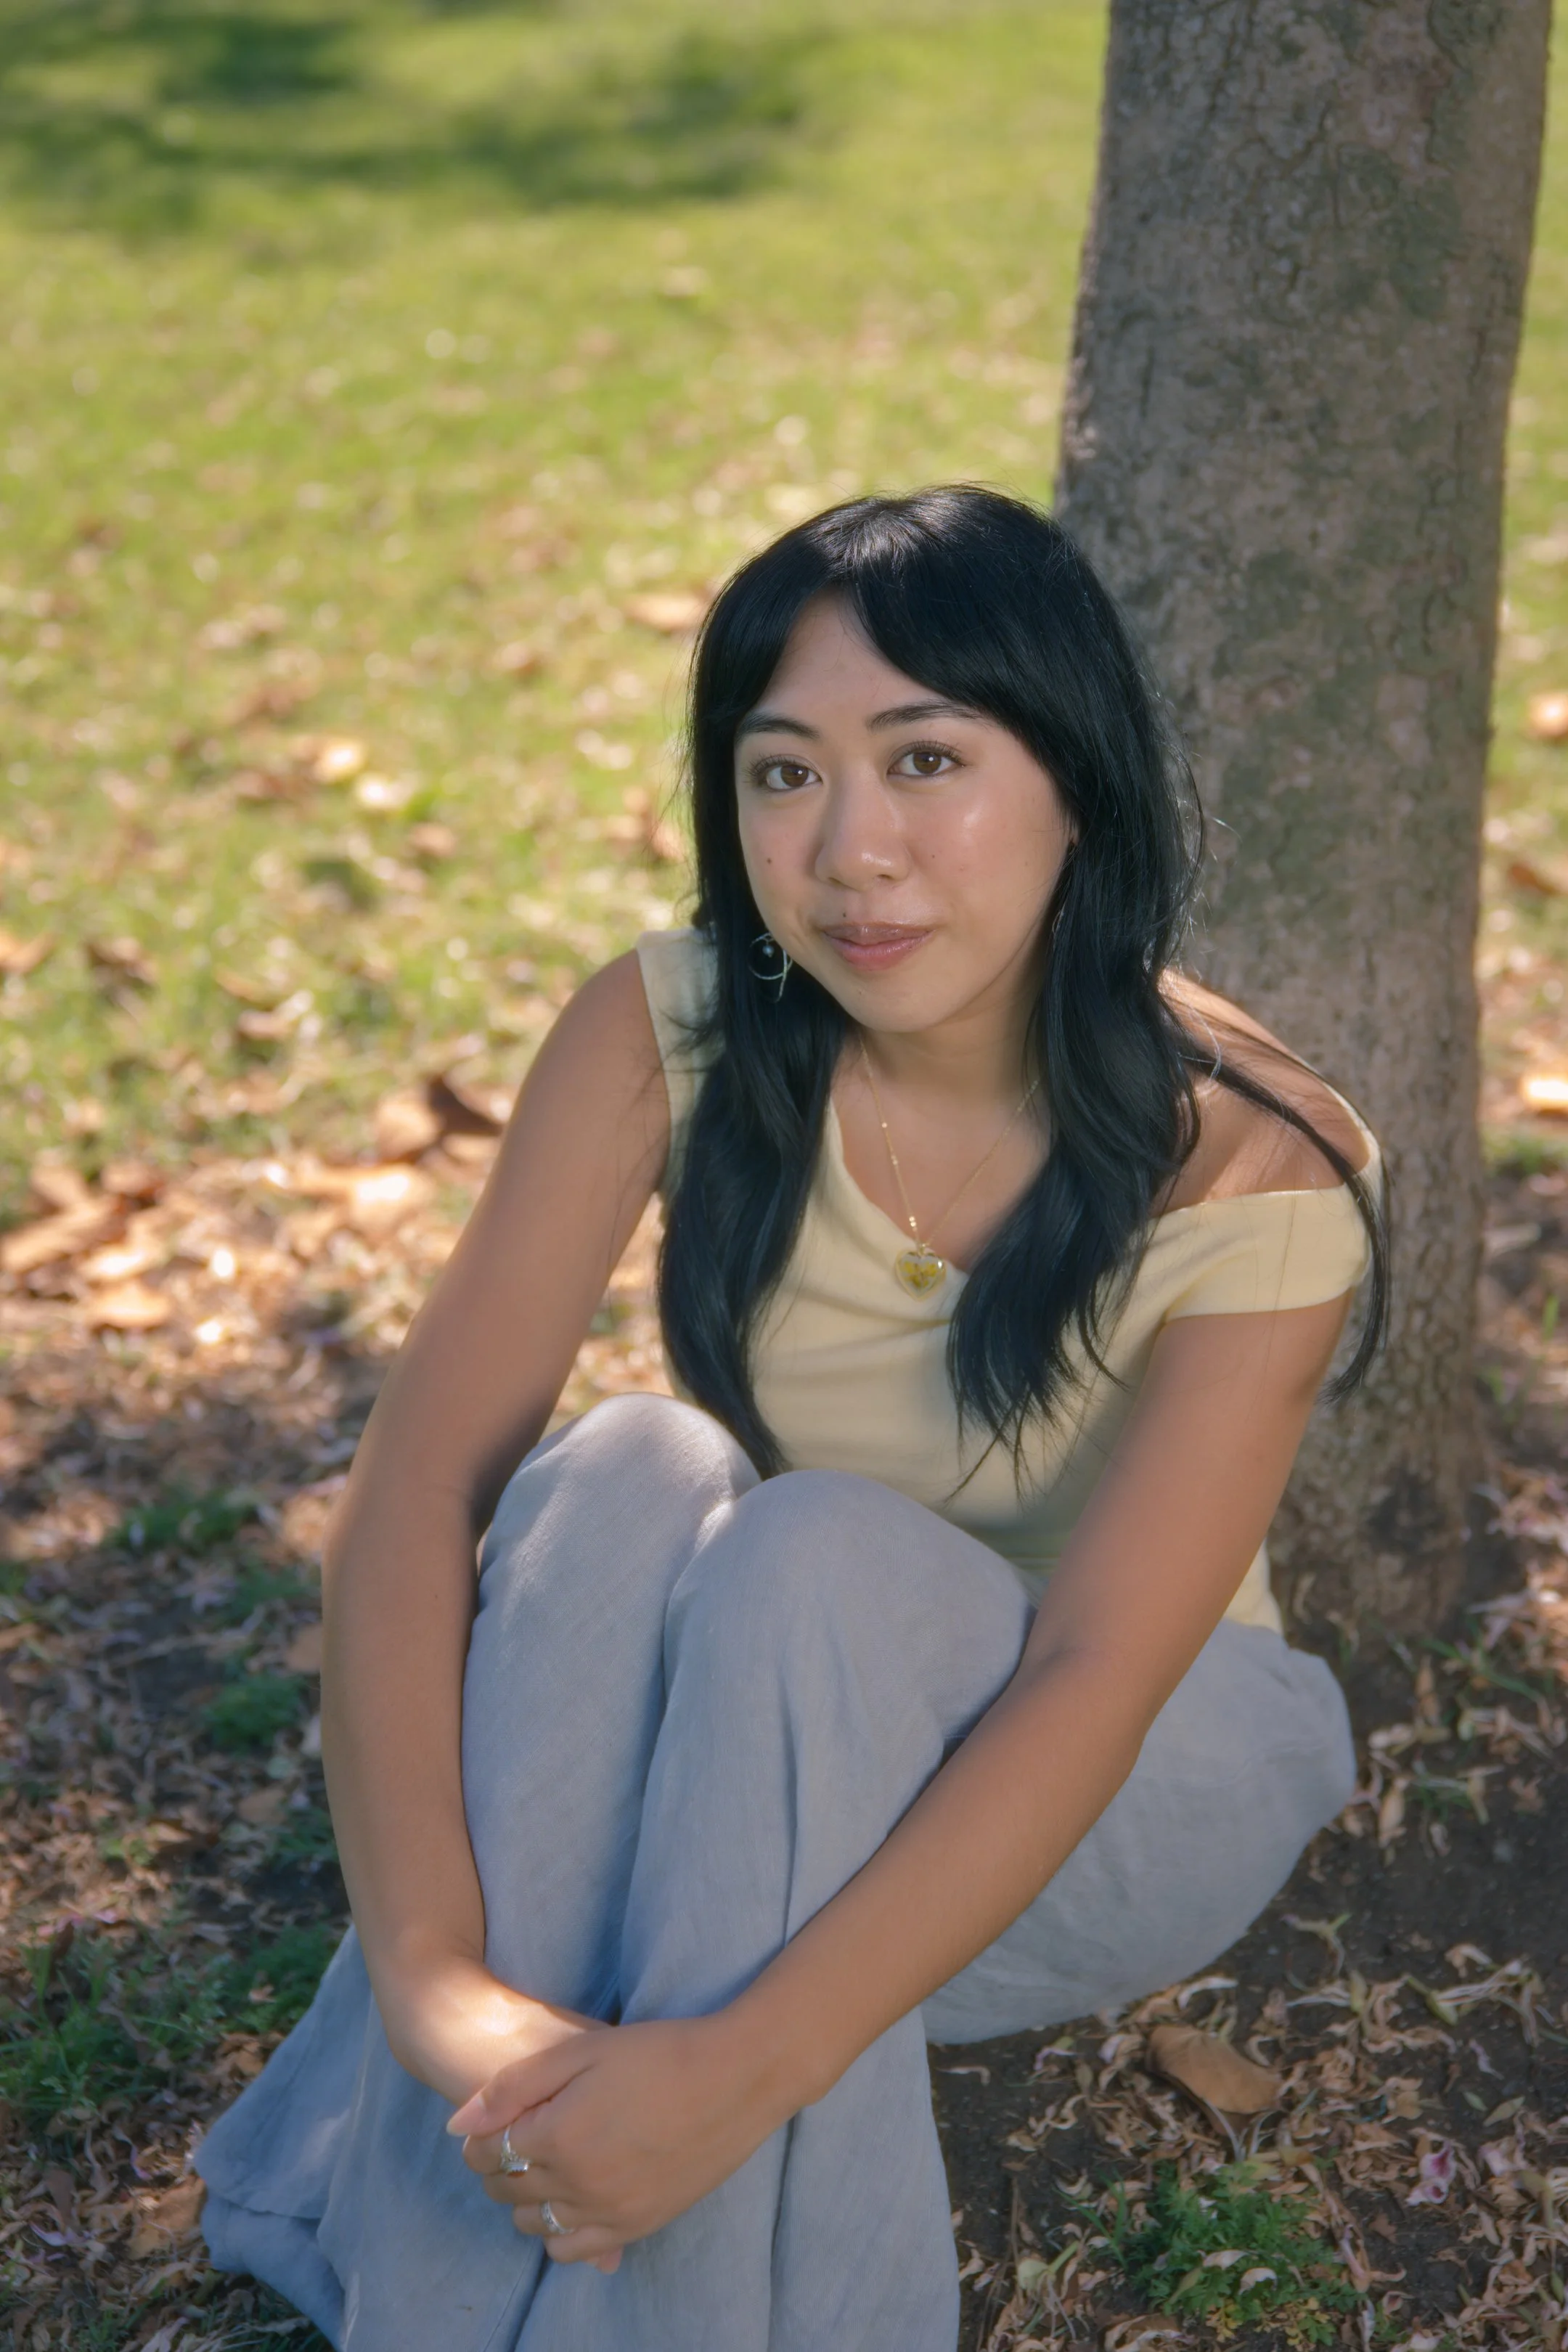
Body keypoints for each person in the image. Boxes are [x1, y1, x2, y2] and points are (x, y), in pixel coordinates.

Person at [197, 486, 1387, 2352]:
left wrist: (742, 2067)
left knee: (812, 1546)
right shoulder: (668, 1032)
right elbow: (420, 1487)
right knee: (633, 1463)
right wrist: (437, 1985)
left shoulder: (1249, 1154)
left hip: (1132, 1765)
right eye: (783, 775)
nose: (851, 854)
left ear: (1079, 784)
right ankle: (477, 2232)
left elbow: (1094, 1675)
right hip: (771, 1726)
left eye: (928, 760)